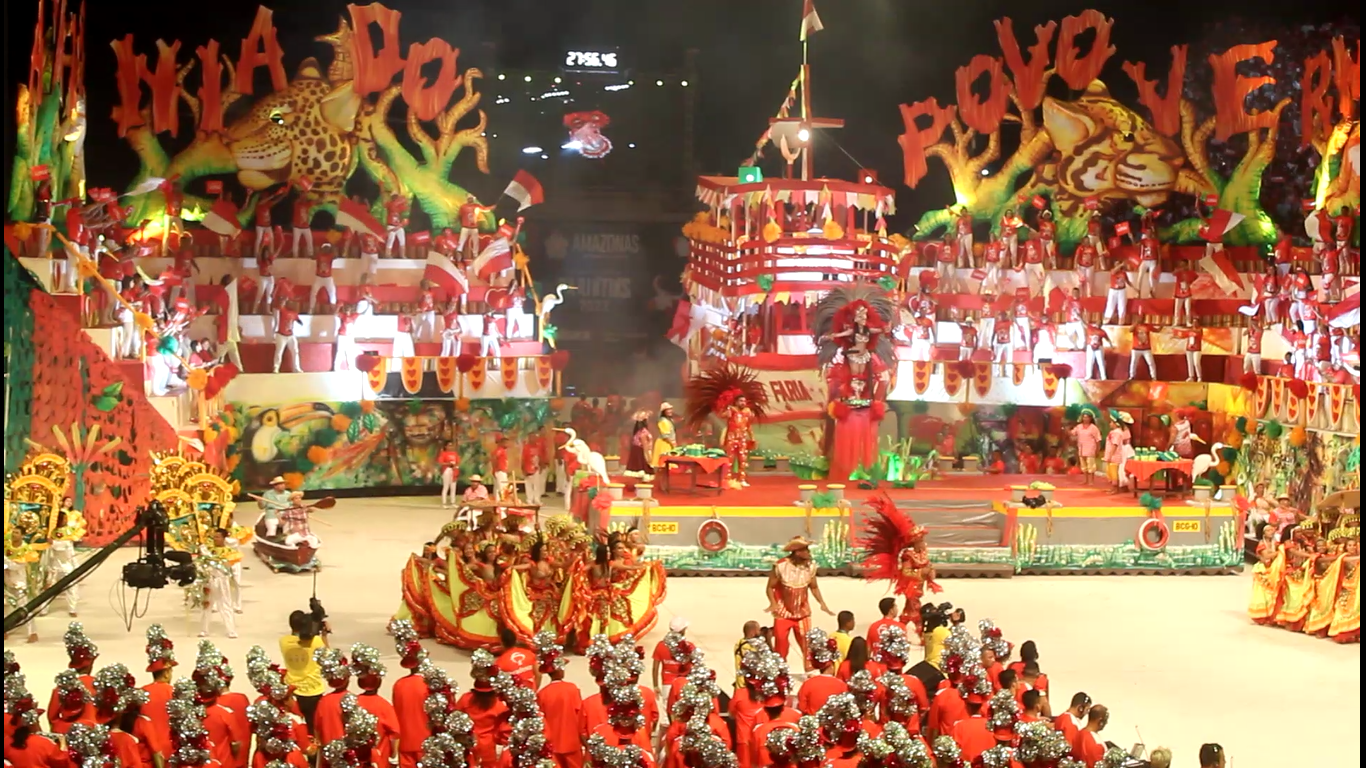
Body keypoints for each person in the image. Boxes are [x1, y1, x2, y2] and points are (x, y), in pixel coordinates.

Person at [765, 537, 833, 669]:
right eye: (805, 550)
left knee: (807, 645)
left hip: (802, 613)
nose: (809, 553)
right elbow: (770, 587)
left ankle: (809, 670)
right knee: (781, 644)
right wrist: (773, 603)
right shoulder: (780, 566)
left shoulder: (810, 567)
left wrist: (822, 603)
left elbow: (813, 587)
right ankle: (780, 671)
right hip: (783, 613)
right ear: (797, 552)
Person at [280, 610, 329, 734]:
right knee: (313, 729)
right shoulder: (316, 642)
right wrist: (324, 635)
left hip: (293, 691)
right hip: (313, 692)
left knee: (297, 728)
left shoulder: (283, 641)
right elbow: (328, 657)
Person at [198, 529, 242, 638]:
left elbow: (228, 565)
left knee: (226, 605)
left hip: (222, 580)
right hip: (209, 580)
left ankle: (231, 630)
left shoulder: (230, 552)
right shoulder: (208, 550)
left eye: (218, 537)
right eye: (214, 537)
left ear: (224, 538)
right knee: (206, 605)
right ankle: (204, 630)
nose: (215, 539)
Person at [1104, 413, 1134, 494]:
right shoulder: (1116, 432)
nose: (1110, 424)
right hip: (1114, 454)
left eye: (1111, 422)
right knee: (1111, 471)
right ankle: (1114, 487)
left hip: (1115, 455)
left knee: (1114, 472)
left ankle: (1115, 488)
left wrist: (1110, 455)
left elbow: (1115, 444)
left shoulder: (1117, 433)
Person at [1070, 412, 1102, 485]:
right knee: (1083, 466)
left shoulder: (1093, 428)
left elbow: (1098, 440)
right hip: (1081, 448)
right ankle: (1085, 480)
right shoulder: (1079, 427)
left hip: (1090, 448)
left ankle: (1091, 481)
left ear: (1090, 418)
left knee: (1091, 465)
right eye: (1084, 417)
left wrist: (1097, 449)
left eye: (1087, 417)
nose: (1085, 419)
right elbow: (1072, 433)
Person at [625, 411, 654, 478]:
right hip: (641, 452)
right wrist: (648, 455)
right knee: (642, 469)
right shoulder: (643, 432)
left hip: (637, 451)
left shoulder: (638, 432)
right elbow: (645, 444)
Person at [651, 403, 677, 468]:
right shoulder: (663, 421)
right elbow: (665, 436)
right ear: (664, 411)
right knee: (664, 463)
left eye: (671, 409)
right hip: (664, 443)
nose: (670, 411)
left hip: (668, 443)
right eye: (668, 410)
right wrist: (672, 443)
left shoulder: (669, 420)